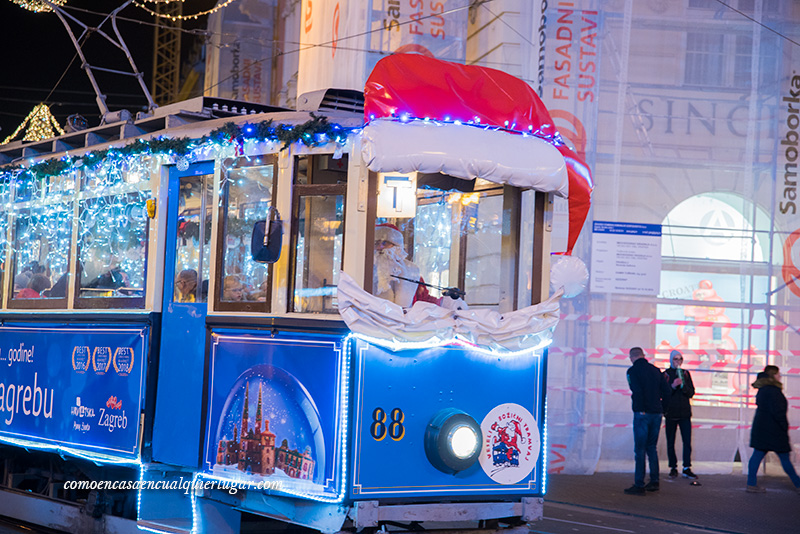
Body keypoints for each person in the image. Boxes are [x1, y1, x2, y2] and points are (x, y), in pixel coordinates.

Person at [373, 223, 462, 308]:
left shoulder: (411, 271)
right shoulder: (369, 269)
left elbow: (424, 299)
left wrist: (446, 302)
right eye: (376, 243)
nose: (380, 247)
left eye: (385, 243)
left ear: (397, 246)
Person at [624, 346, 671, 496]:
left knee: (640, 450)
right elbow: (667, 391)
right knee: (652, 447)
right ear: (644, 356)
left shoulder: (632, 371)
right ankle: (654, 481)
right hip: (656, 413)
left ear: (632, 357)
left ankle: (639, 484)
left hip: (642, 413)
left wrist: (640, 408)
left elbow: (636, 391)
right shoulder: (656, 370)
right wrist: (663, 408)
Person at [746, 365, 800, 494]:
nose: (780, 376)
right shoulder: (774, 391)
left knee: (757, 456)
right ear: (773, 376)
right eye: (778, 374)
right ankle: (798, 484)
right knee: (785, 458)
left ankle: (751, 484)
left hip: (761, 429)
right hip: (774, 430)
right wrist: (784, 427)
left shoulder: (763, 390)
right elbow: (779, 412)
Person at [663, 349, 697, 479]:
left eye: (680, 359)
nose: (678, 362)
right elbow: (663, 394)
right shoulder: (665, 374)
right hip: (671, 413)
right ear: (671, 360)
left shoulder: (686, 374)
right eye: (675, 359)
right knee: (670, 441)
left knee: (687, 441)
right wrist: (672, 386)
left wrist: (684, 386)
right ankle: (673, 466)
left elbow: (691, 392)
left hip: (684, 414)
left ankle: (687, 467)